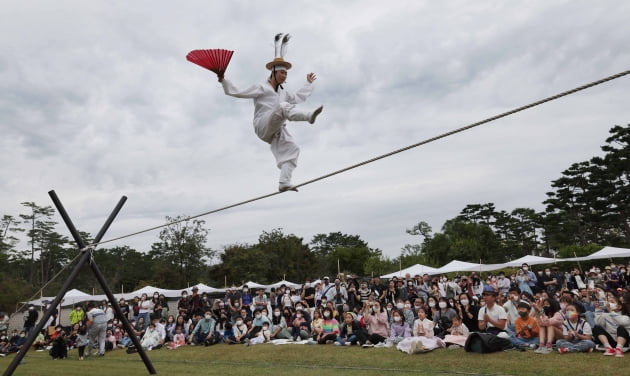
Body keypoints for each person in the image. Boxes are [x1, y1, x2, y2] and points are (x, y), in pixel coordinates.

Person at [218, 33, 323, 192]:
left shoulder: (283, 93)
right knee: (282, 107)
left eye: (286, 73)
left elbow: (297, 97)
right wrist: (223, 80)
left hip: (275, 131)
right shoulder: (262, 87)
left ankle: (284, 183)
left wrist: (308, 84)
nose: (284, 75)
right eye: (282, 72)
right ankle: (308, 117)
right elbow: (238, 91)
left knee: (293, 148)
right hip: (262, 125)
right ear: (273, 72)